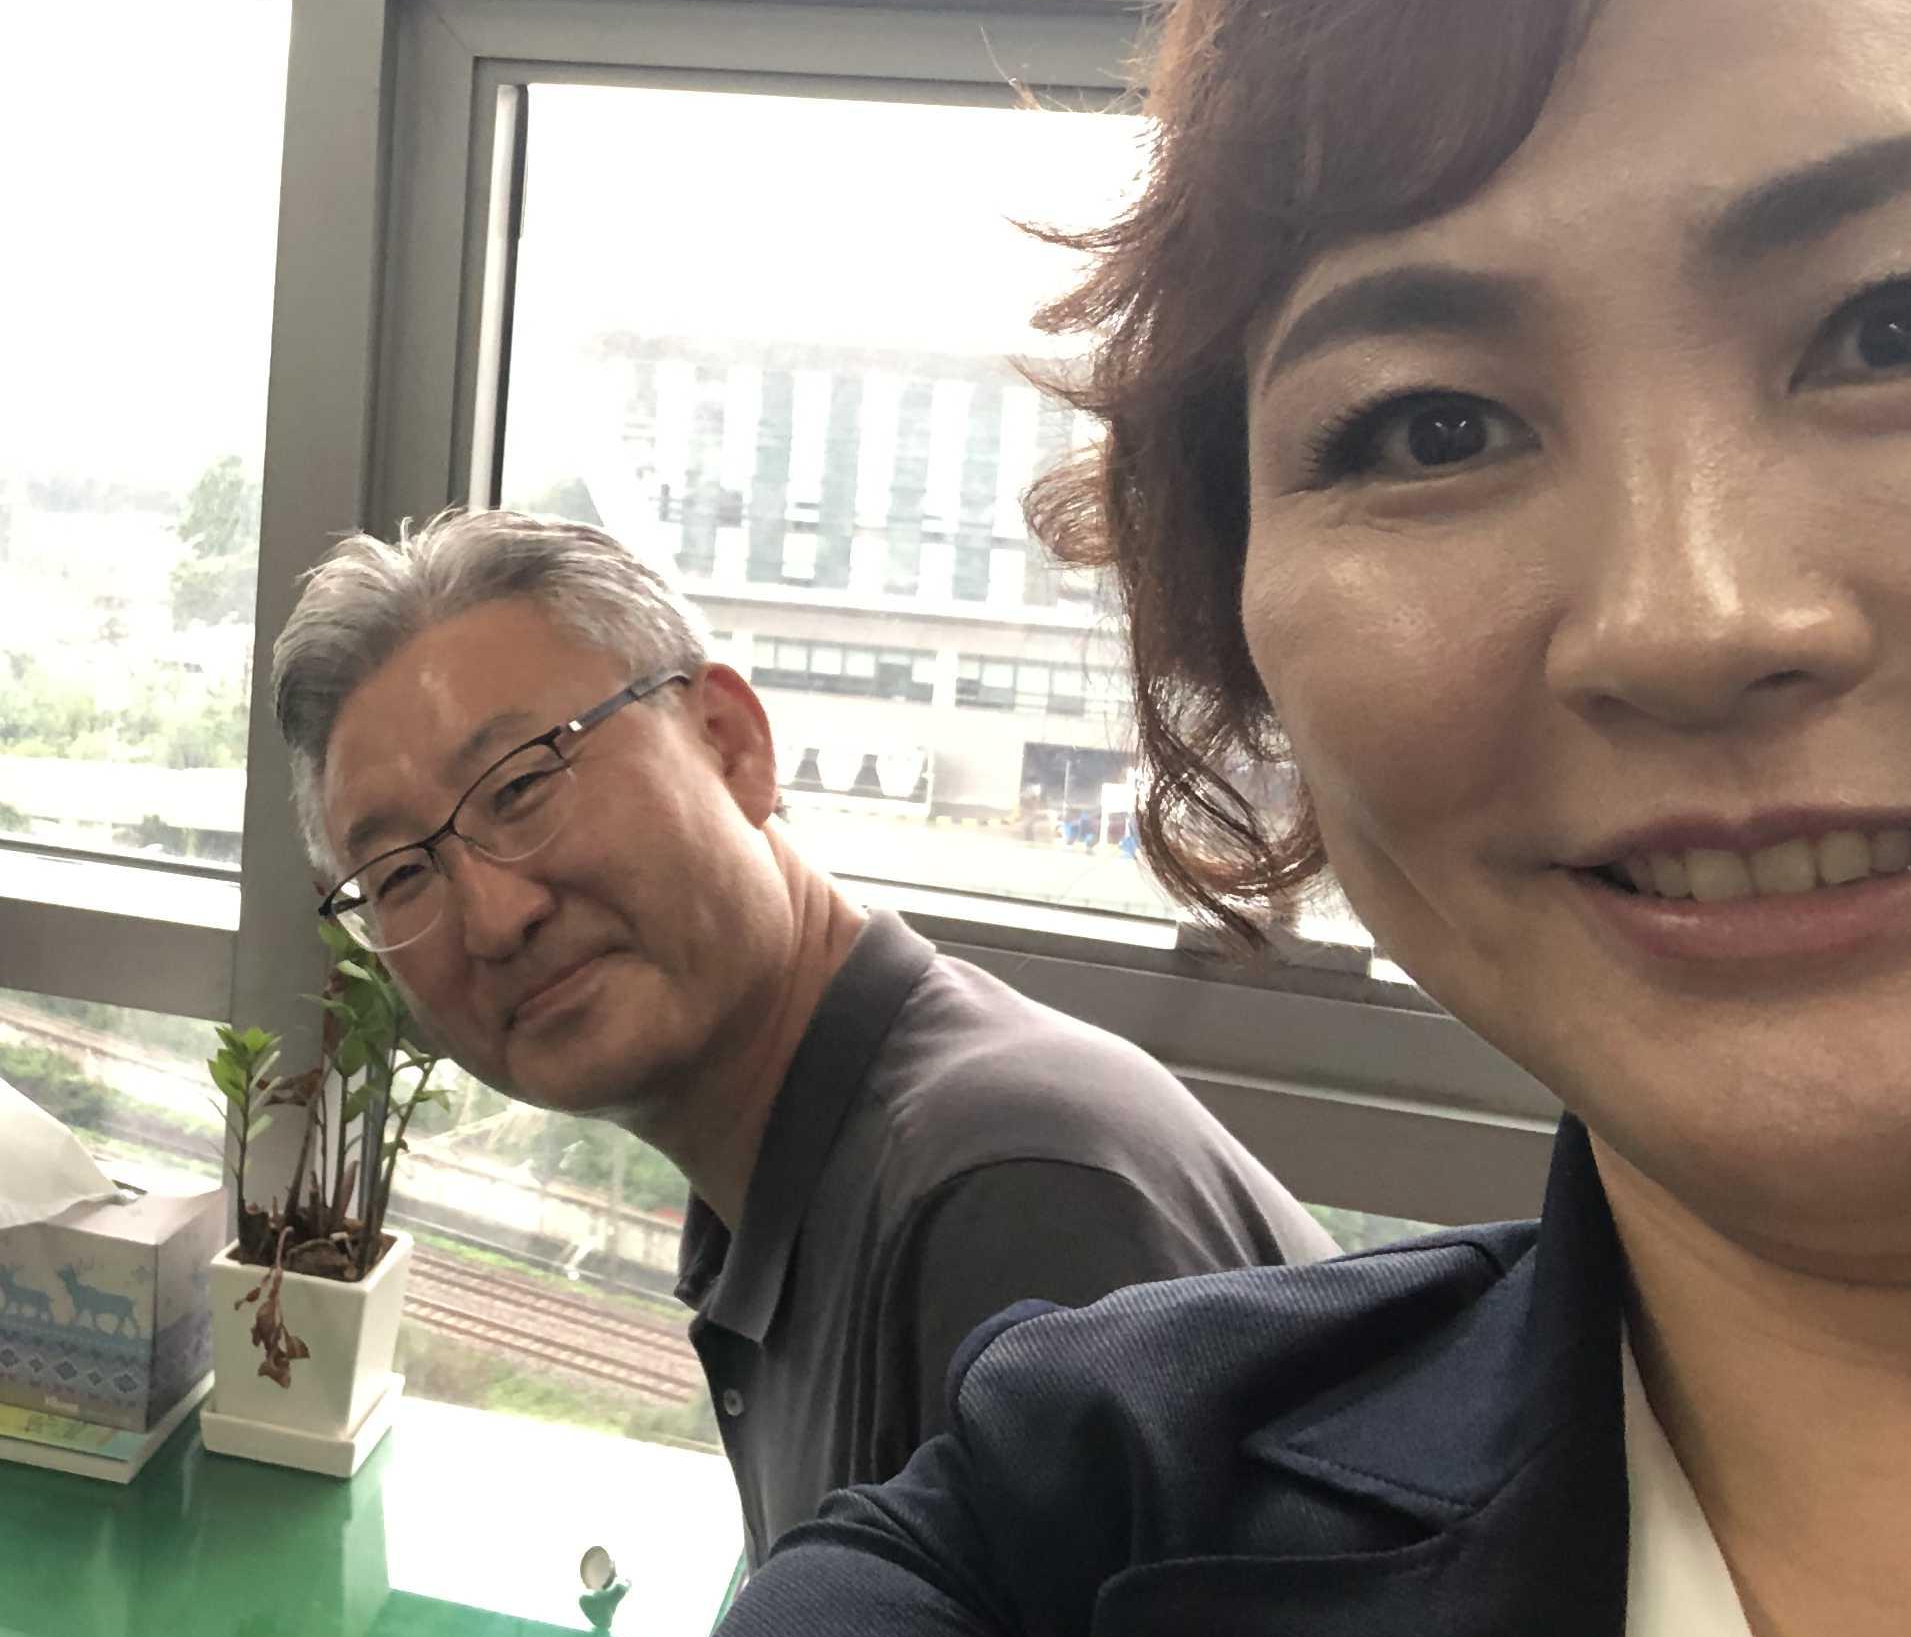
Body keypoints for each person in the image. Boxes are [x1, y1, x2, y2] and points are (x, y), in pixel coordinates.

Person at [708, 0, 1911, 1637]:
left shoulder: (994, 1158)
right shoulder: (1060, 1538)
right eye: (1427, 427)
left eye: (1898, 322)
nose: (1687, 617)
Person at [271, 511, 1332, 1566]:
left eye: (520, 785)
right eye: (399, 875)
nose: (495, 918)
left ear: (729, 744)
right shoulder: (796, 1175)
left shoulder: (1007, 1204)